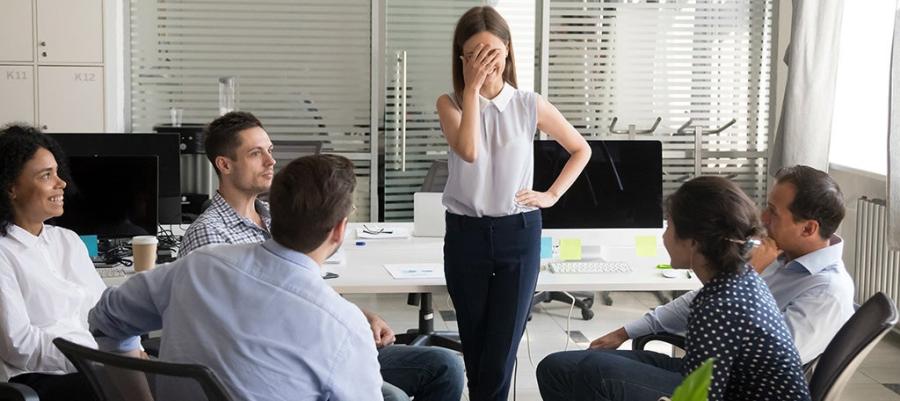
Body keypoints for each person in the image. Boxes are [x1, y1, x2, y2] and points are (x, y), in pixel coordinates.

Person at [180, 111, 464, 401]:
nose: (271, 161)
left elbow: (304, 285)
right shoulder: (210, 237)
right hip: (281, 365)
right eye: (256, 153)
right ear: (225, 164)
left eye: (270, 150)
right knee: (392, 398)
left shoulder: (275, 217)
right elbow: (231, 329)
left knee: (446, 366)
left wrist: (360, 316)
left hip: (320, 345)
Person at [88, 155, 383, 400]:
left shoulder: (199, 266)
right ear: (339, 229)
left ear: (273, 211)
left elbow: (105, 319)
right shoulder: (343, 325)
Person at [537, 176, 812, 401]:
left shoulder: (721, 303)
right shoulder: (733, 280)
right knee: (555, 368)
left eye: (670, 225)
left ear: (694, 242)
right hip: (711, 380)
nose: (663, 234)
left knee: (595, 371)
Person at [436, 6, 591, 401]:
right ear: (463, 59)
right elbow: (469, 150)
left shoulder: (528, 103)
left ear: (508, 51)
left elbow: (580, 149)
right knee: (474, 340)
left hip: (517, 233)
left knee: (503, 346)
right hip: (465, 234)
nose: (488, 62)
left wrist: (551, 195)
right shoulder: (450, 103)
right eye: (477, 54)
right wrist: (471, 90)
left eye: (494, 52)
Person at [580, 165, 854, 367]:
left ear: (808, 228)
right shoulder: (781, 257)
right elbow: (701, 299)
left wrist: (749, 277)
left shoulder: (827, 291)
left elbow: (772, 361)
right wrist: (625, 332)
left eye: (774, 211)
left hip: (731, 388)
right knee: (576, 367)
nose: (763, 217)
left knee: (575, 372)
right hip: (706, 371)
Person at [0, 124, 102, 401]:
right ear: (11, 188)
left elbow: (101, 313)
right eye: (47, 175)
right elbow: (18, 345)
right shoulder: (3, 253)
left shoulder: (67, 240)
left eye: (58, 172)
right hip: (36, 378)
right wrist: (93, 360)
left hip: (91, 364)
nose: (62, 183)